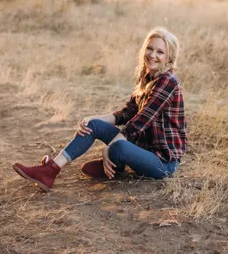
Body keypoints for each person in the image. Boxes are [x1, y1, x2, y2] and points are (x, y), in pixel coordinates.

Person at [12, 27, 187, 192]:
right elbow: (128, 113)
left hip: (162, 162)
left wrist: (108, 149)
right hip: (142, 147)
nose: (152, 55)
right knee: (93, 125)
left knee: (120, 147)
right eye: (149, 49)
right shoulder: (146, 75)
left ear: (169, 58)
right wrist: (93, 119)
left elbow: (138, 123)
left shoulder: (168, 81)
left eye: (160, 52)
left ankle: (114, 162)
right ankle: (50, 170)